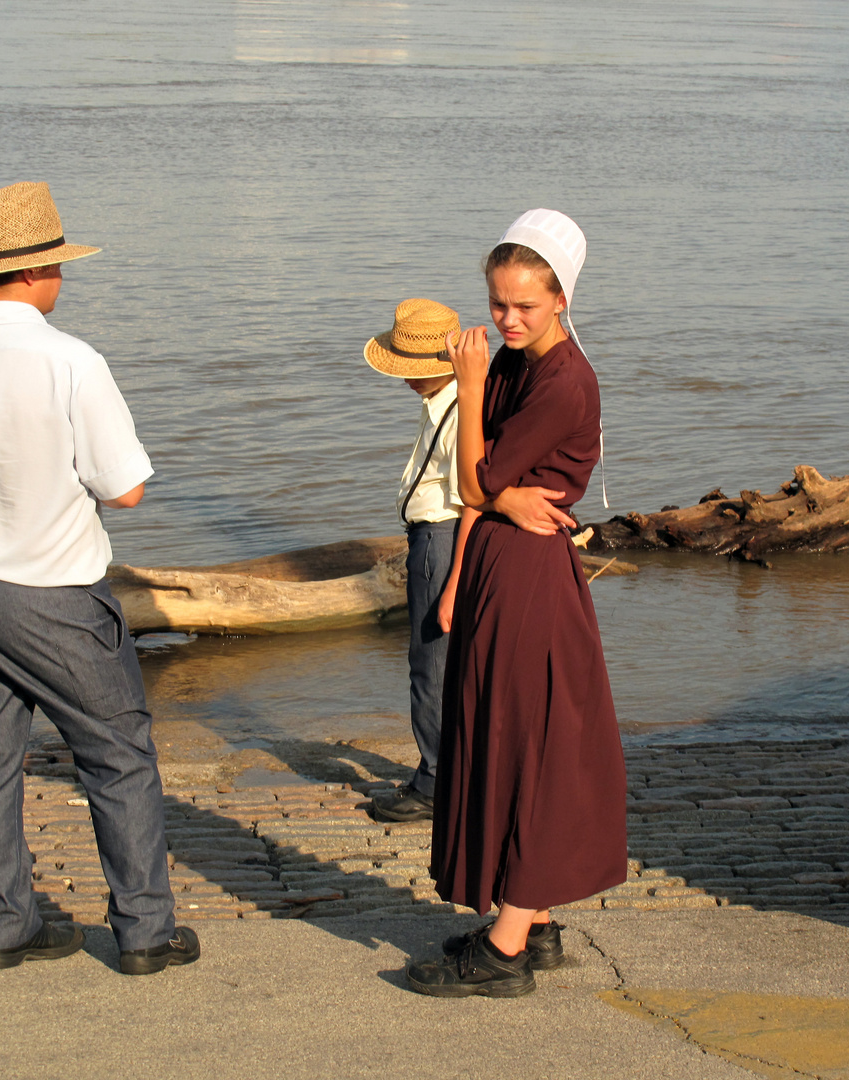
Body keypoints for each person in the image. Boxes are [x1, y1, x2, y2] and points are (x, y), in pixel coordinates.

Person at [0, 180, 199, 975]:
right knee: (117, 753)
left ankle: (3, 925)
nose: (64, 277)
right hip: (50, 590)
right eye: (58, 264)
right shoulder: (71, 360)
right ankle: (144, 932)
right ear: (33, 273)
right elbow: (124, 487)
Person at [407, 210, 627, 998]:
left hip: (533, 582)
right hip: (504, 572)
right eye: (498, 302)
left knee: (531, 748)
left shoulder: (564, 382)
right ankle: (526, 925)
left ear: (562, 299)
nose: (506, 318)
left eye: (525, 306)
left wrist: (466, 392)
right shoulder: (515, 362)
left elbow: (471, 482)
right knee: (500, 739)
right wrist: (464, 573)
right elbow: (485, 497)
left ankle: (503, 951)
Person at [362, 299, 481, 823]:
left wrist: (454, 580)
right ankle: (454, 773)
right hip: (435, 538)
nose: (409, 380)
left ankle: (434, 781)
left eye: (417, 371)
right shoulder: (450, 401)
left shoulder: (458, 412)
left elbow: (473, 498)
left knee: (429, 666)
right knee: (441, 664)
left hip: (441, 541)